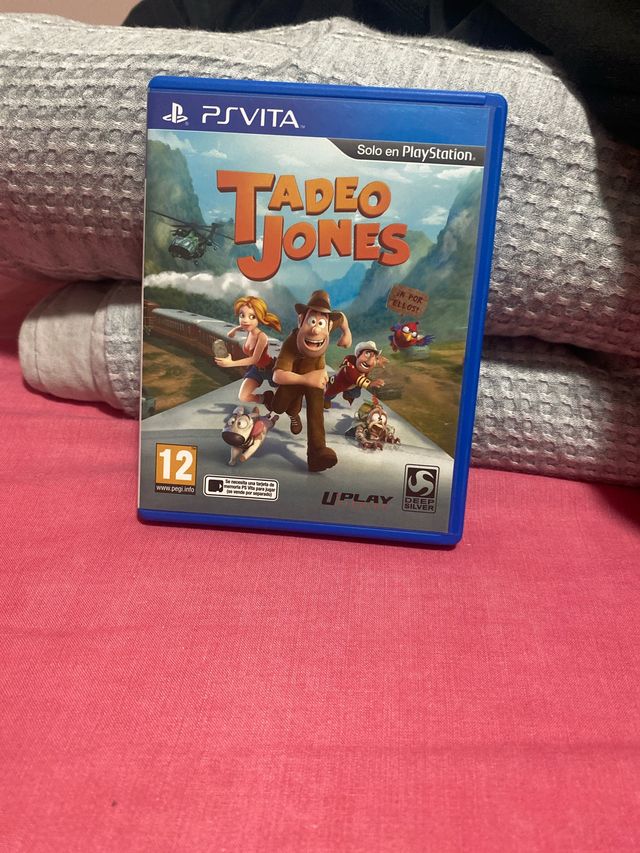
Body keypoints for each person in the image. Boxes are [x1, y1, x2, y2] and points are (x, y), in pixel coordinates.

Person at [262, 290, 352, 472]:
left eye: (321, 323)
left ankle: (317, 454)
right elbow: (277, 375)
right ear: (301, 320)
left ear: (328, 325)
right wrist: (305, 379)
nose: (316, 329)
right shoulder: (291, 343)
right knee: (279, 406)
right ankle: (280, 406)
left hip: (316, 378)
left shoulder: (329, 323)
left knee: (316, 414)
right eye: (312, 321)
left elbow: (341, 317)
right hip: (292, 380)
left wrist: (346, 333)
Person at [214, 295, 281, 404]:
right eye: (242, 315)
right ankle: (265, 399)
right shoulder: (249, 331)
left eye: (252, 317)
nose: (245, 320)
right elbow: (229, 335)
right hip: (256, 370)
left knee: (282, 401)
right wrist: (237, 328)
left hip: (269, 369)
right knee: (243, 397)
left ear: (259, 318)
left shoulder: (262, 337)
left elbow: (254, 359)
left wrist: (231, 363)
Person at [324, 340, 387, 408]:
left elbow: (370, 362)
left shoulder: (367, 364)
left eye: (374, 357)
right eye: (367, 354)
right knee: (330, 393)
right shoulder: (348, 366)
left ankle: (347, 394)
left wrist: (377, 360)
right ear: (358, 355)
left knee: (356, 394)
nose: (370, 361)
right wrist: (370, 383)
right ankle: (325, 400)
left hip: (352, 386)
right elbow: (355, 377)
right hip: (339, 383)